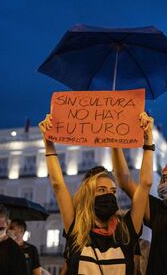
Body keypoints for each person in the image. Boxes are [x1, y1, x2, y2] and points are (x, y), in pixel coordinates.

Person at [38, 112, 153, 275]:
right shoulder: (76, 227)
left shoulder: (126, 229)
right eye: (101, 190)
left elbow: (146, 184)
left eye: (113, 191)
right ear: (88, 196)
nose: (109, 195)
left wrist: (148, 140)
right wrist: (48, 142)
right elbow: (58, 184)